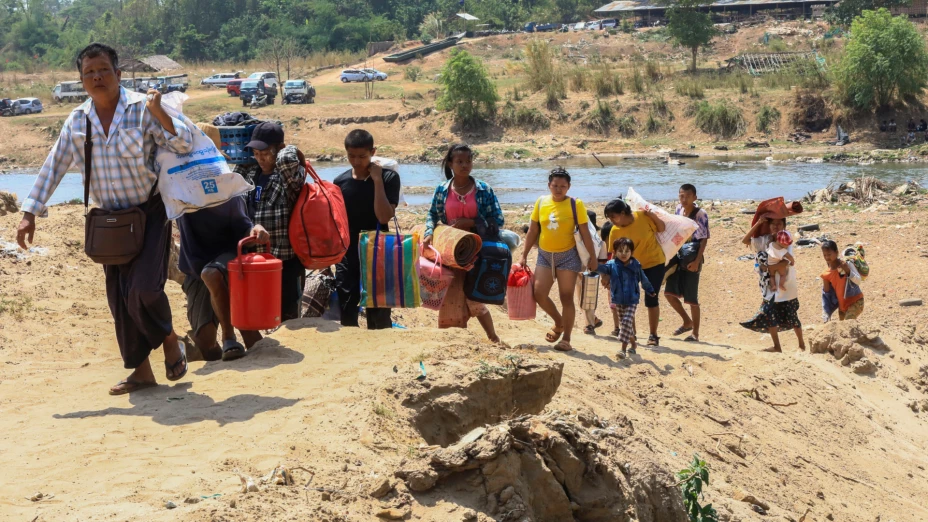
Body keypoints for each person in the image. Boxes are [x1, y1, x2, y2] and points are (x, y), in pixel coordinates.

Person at [16, 43, 194, 395]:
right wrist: (29, 212)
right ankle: (141, 373)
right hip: (109, 222)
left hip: (149, 213)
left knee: (143, 290)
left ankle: (171, 340)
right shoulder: (78, 120)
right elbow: (54, 165)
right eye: (89, 72)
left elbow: (186, 144)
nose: (97, 77)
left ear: (118, 74)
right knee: (120, 301)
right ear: (81, 79)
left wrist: (161, 114)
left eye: (103, 70)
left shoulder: (144, 108)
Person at [176, 123, 267, 362]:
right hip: (195, 264)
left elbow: (242, 225)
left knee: (213, 274)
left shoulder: (227, 185)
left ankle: (229, 337)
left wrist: (254, 228)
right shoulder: (177, 183)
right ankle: (221, 351)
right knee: (205, 342)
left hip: (228, 259)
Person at [423, 144, 504, 342]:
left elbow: (498, 220)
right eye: (459, 161)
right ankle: (452, 341)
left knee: (473, 295)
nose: (464, 165)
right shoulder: (442, 189)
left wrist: (472, 223)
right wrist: (428, 233)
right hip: (450, 251)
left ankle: (493, 337)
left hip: (477, 251)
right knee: (449, 295)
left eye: (468, 161)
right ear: (451, 164)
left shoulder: (484, 189)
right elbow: (432, 214)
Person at [233, 122, 307, 322]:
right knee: (258, 313)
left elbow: (287, 160)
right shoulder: (249, 174)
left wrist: (287, 148)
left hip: (284, 261)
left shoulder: (288, 178)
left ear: (280, 149)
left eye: (265, 153)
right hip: (254, 259)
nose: (260, 159)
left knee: (288, 319)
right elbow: (232, 170)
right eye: (256, 153)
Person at [519, 167, 597, 352]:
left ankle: (567, 339)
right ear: (549, 185)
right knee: (539, 293)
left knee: (566, 297)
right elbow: (533, 230)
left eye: (563, 186)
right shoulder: (541, 202)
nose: (558, 189)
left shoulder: (575, 204)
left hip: (568, 256)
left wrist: (593, 257)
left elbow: (585, 232)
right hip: (545, 255)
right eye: (555, 185)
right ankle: (559, 322)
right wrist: (523, 255)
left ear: (569, 187)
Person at [333, 129, 401, 329]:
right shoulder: (340, 182)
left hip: (379, 249)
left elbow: (384, 216)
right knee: (347, 302)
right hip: (348, 250)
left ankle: (380, 349)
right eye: (351, 156)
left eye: (362, 156)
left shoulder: (389, 178)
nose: (356, 161)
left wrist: (377, 180)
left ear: (373, 151)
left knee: (379, 305)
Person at [605, 198, 666, 346]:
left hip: (654, 262)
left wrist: (653, 215)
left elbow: (661, 228)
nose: (611, 220)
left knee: (651, 299)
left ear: (623, 212)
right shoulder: (615, 230)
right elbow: (614, 253)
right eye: (609, 218)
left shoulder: (642, 217)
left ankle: (653, 335)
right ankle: (631, 334)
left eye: (613, 216)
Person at [740, 216, 806, 353]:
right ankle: (777, 346)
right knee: (769, 315)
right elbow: (745, 240)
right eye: (773, 224)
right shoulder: (763, 240)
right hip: (769, 286)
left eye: (779, 224)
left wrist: (767, 268)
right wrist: (758, 223)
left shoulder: (786, 241)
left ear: (784, 226)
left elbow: (787, 262)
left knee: (792, 316)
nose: (776, 226)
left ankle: (801, 345)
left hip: (786, 284)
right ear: (768, 226)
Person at [664, 184, 709, 342]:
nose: (684, 199)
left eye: (687, 196)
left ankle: (695, 333)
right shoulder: (678, 210)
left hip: (692, 257)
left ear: (694, 198)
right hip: (679, 254)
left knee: (692, 298)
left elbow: (704, 239)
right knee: (669, 293)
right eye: (681, 196)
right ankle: (686, 321)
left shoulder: (700, 214)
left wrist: (697, 261)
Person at [597, 238, 655, 360]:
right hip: (618, 299)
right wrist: (593, 264)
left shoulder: (636, 265)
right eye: (620, 251)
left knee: (626, 321)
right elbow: (601, 269)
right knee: (625, 324)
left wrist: (650, 290)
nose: (624, 254)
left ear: (632, 252)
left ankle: (622, 349)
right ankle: (633, 343)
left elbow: (643, 279)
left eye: (627, 251)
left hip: (632, 299)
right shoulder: (611, 265)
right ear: (614, 251)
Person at [578, 209, 607, 335]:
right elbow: (603, 260)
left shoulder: (580, 239)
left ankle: (589, 324)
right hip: (588, 274)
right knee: (587, 298)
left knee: (585, 298)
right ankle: (592, 320)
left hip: (584, 273)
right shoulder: (599, 242)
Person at [820, 240, 864, 321]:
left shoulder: (846, 264)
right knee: (843, 329)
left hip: (855, 301)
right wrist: (826, 313)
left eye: (829, 254)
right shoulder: (826, 274)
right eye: (824, 255)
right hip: (842, 307)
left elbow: (858, 281)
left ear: (836, 253)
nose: (827, 257)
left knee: (848, 325)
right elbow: (826, 296)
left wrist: (848, 271)